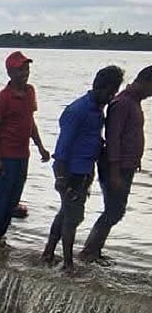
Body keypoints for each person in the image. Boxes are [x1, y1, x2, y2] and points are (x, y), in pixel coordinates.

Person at [41, 66, 125, 271]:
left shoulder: (97, 111)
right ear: (99, 87)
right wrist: (61, 179)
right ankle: (67, 263)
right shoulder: (77, 110)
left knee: (66, 213)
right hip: (70, 171)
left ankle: (49, 253)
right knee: (73, 217)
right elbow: (62, 149)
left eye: (114, 92)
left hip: (85, 169)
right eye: (110, 92)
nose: (111, 96)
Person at [80, 65, 152, 264]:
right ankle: (89, 252)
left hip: (125, 165)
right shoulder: (122, 103)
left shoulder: (133, 102)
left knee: (115, 210)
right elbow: (113, 138)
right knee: (114, 211)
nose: (151, 94)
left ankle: (93, 250)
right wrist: (114, 173)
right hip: (116, 166)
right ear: (145, 82)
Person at [0, 51, 51, 251]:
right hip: (4, 157)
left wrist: (40, 147)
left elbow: (30, 122)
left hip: (22, 156)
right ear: (10, 72)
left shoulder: (30, 92)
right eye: (21, 70)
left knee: (12, 201)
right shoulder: (3, 98)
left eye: (27, 69)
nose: (25, 73)